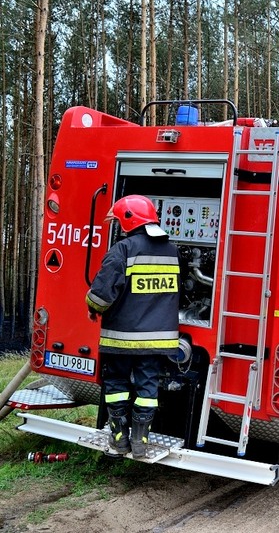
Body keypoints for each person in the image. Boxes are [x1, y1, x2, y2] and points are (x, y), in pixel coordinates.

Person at [86, 195, 180, 458]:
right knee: (148, 387)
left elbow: (101, 296)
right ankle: (140, 442)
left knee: (116, 384)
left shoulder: (122, 250)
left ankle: (119, 439)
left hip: (122, 338)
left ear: (128, 220)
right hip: (158, 341)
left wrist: (93, 309)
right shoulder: (172, 251)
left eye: (118, 220)